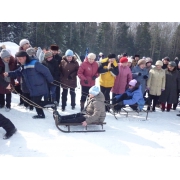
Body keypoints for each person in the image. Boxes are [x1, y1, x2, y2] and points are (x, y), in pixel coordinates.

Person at [4, 51, 54, 119]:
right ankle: (41, 114)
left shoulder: (35, 63)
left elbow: (46, 71)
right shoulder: (23, 65)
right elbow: (17, 72)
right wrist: (8, 74)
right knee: (34, 102)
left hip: (39, 86)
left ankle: (52, 104)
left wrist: (51, 80)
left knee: (35, 102)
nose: (19, 60)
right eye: (18, 59)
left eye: (20, 59)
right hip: (33, 88)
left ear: (25, 57)